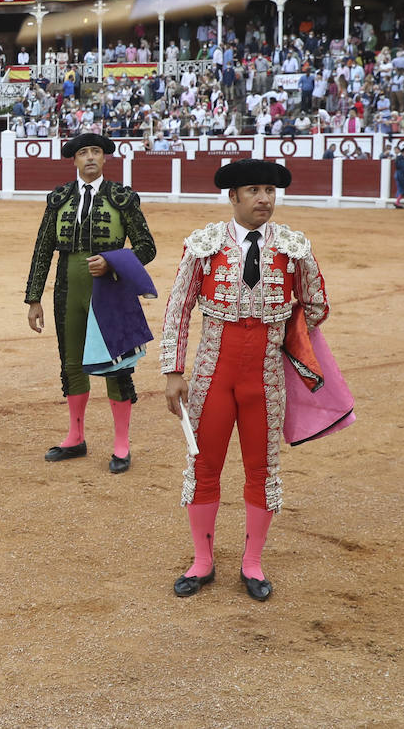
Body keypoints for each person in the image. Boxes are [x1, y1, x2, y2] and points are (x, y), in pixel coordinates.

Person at [160, 159, 329, 602]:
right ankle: (203, 561)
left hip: (266, 377)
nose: (264, 199)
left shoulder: (293, 247)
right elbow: (178, 308)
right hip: (214, 373)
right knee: (204, 466)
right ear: (232, 197)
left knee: (262, 469)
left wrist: (287, 336)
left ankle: (252, 563)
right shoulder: (204, 244)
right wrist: (174, 371)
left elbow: (316, 305)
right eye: (254, 190)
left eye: (270, 191)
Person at [25, 132, 157, 473]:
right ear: (75, 160)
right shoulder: (59, 198)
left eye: (96, 151)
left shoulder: (121, 197)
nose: (90, 158)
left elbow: (146, 247)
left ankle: (121, 444)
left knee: (117, 366)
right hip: (69, 288)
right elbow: (43, 249)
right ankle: (75, 436)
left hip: (111, 290)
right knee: (71, 363)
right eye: (83, 152)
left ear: (104, 158)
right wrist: (33, 298)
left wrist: (114, 262)